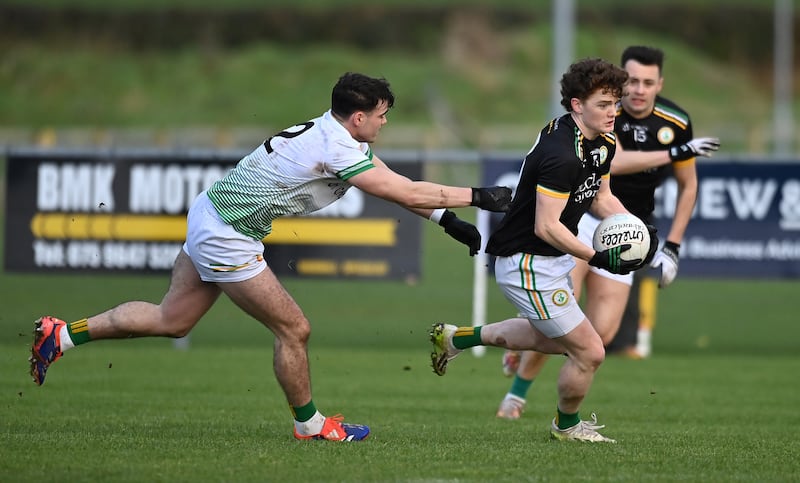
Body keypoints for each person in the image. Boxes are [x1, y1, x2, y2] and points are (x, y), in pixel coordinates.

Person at [29, 72, 513, 443]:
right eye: (383, 114)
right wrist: (478, 195)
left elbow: (394, 187)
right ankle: (311, 425)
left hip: (212, 213)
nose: (386, 122)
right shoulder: (336, 148)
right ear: (359, 117)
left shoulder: (337, 135)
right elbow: (402, 188)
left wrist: (446, 221)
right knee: (294, 329)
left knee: (171, 319)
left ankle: (63, 334)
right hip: (228, 234)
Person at [429, 57, 658, 443]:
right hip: (526, 262)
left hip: (550, 259)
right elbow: (546, 225)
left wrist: (634, 230)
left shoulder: (603, 141)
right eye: (603, 104)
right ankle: (566, 428)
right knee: (590, 351)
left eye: (616, 103)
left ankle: (456, 338)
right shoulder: (561, 154)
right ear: (576, 105)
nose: (613, 112)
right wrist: (597, 256)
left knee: (552, 339)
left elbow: (601, 198)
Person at [495, 46, 720, 421]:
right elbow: (617, 166)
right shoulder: (586, 127)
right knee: (568, 318)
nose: (636, 91)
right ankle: (517, 397)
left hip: (623, 219)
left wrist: (667, 246)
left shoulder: (670, 121)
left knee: (600, 332)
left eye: (647, 83)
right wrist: (675, 152)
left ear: (659, 84)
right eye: (631, 81)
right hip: (577, 217)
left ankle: (523, 337)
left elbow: (686, 186)